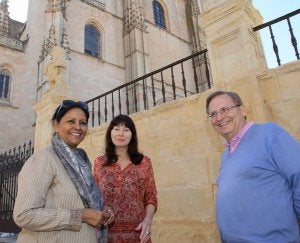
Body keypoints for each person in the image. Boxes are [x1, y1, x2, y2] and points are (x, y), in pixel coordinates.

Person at [13, 99, 114, 243]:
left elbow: (84, 204)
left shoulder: (82, 162)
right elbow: (24, 215)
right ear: (56, 125)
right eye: (71, 121)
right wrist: (80, 216)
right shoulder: (44, 159)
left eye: (83, 122)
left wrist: (102, 213)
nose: (78, 127)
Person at [205, 90, 300, 242]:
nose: (219, 117)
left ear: (242, 109)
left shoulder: (269, 134)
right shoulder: (226, 154)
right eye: (213, 114)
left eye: (225, 109)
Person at [93, 114, 157, 243]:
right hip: (105, 234)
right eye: (116, 129)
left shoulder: (144, 162)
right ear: (110, 133)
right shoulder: (99, 163)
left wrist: (148, 222)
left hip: (137, 234)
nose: (121, 133)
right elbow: (94, 198)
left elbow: (151, 197)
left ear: (132, 135)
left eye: (126, 130)